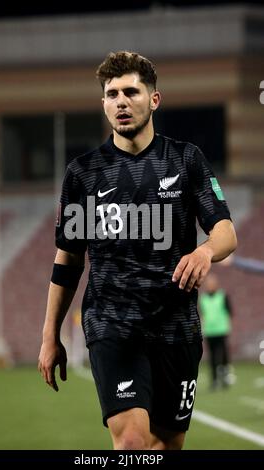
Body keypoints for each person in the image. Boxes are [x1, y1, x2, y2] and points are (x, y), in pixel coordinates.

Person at [38, 51, 237, 450]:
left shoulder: (185, 159)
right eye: (112, 94)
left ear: (154, 99)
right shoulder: (83, 173)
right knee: (131, 444)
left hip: (176, 328)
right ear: (104, 104)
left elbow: (226, 233)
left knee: (165, 446)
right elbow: (68, 260)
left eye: (131, 91)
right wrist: (50, 335)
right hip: (113, 324)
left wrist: (203, 252)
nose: (121, 102)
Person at [199, 273, 234, 390]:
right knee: (212, 357)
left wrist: (228, 327)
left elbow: (229, 312)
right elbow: (203, 315)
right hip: (209, 332)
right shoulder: (203, 299)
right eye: (208, 283)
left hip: (221, 331)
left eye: (212, 283)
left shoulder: (223, 296)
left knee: (223, 355)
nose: (210, 285)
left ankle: (225, 377)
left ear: (216, 284)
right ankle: (214, 380)